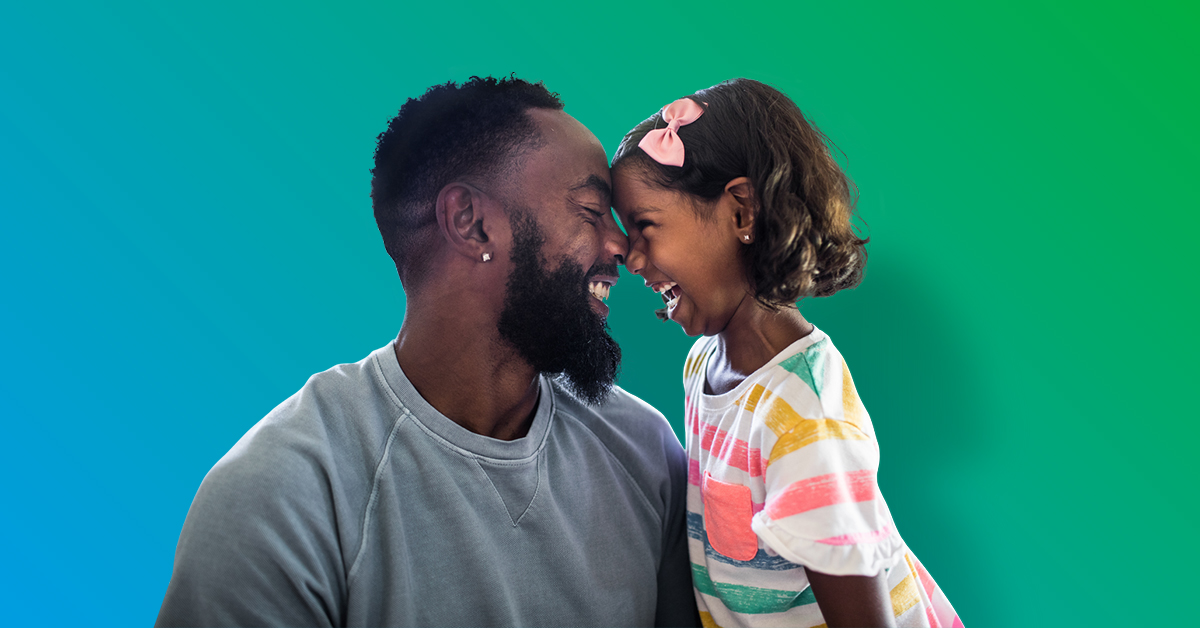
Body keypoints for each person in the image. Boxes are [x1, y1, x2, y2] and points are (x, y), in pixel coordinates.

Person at [156, 76, 699, 627]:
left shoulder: (644, 451)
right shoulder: (279, 498)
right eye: (589, 210)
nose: (622, 246)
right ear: (471, 223)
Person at [610, 79, 962, 628]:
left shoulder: (805, 419)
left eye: (645, 226)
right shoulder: (704, 363)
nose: (631, 258)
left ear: (741, 213)